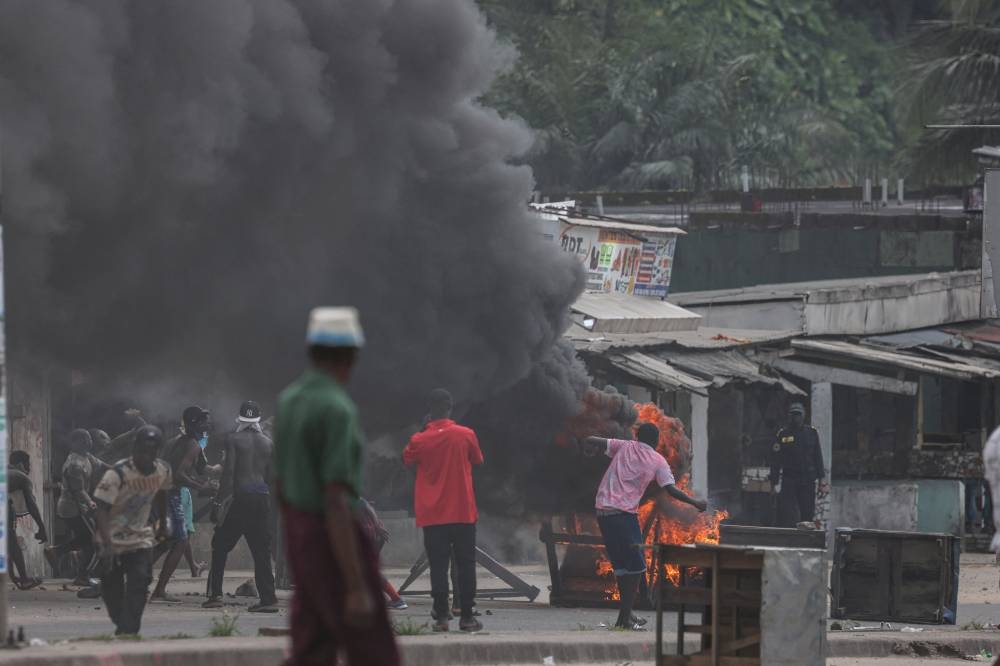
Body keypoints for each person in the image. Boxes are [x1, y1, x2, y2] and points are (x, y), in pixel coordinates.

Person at [275, 306, 400, 666]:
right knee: (373, 648)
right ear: (351, 355)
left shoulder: (289, 400)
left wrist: (296, 541)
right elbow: (335, 500)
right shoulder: (337, 408)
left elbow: (280, 483)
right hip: (334, 536)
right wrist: (357, 584)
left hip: (300, 533)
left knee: (313, 644)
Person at [582, 422, 707, 630]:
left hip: (603, 510)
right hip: (622, 513)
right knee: (638, 565)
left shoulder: (625, 446)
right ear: (656, 441)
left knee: (622, 566)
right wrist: (696, 503)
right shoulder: (658, 460)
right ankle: (624, 619)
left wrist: (587, 445)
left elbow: (594, 440)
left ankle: (627, 613)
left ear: (637, 436)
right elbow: (671, 489)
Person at [403, 388, 484, 633]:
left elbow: (407, 460)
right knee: (466, 564)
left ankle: (441, 618)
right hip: (462, 511)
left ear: (430, 410)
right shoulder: (465, 434)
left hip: (433, 514)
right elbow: (477, 460)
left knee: (438, 565)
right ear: (451, 407)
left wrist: (424, 429)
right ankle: (467, 617)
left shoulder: (419, 439)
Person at [94, 425, 172, 636]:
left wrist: (163, 524)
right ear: (134, 448)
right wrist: (107, 544)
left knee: (140, 581)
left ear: (158, 452)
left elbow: (162, 493)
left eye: (152, 451)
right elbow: (101, 508)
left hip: (140, 537)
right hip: (112, 538)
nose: (146, 456)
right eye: (142, 451)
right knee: (112, 590)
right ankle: (123, 624)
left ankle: (128, 633)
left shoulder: (163, 470)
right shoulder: (117, 473)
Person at [203, 400, 278, 613]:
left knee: (220, 545)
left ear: (240, 419)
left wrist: (218, 503)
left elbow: (228, 474)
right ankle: (268, 599)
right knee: (261, 551)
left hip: (241, 498)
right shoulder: (268, 443)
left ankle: (215, 595)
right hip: (262, 497)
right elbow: (272, 477)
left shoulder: (233, 439)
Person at [150, 406, 216, 602]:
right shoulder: (193, 444)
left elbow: (201, 468)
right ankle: (159, 590)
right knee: (181, 541)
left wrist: (217, 469)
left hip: (159, 493)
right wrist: (200, 487)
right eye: (203, 421)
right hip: (170, 495)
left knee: (165, 544)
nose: (207, 425)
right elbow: (179, 474)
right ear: (195, 423)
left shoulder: (176, 442)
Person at [46, 429, 108, 587]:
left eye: (88, 439)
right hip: (71, 508)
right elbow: (78, 490)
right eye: (84, 439)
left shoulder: (87, 457)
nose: (89, 442)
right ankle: (81, 574)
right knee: (94, 540)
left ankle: (59, 552)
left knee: (88, 540)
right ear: (74, 442)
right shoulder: (74, 464)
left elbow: (102, 465)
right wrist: (90, 503)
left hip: (79, 507)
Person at [770, 402, 827, 527]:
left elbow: (818, 457)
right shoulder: (783, 434)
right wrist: (773, 483)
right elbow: (776, 460)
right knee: (787, 514)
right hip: (789, 480)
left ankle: (806, 541)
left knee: (807, 514)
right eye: (793, 414)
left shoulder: (812, 433)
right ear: (789, 416)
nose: (796, 417)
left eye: (798, 414)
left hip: (807, 480)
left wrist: (822, 481)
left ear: (803, 416)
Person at [356, 497, 407, 610]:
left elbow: (366, 506)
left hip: (367, 537)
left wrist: (377, 527)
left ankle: (396, 599)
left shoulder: (350, 497)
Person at [8, 451, 48, 590]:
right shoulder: (21, 477)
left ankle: (17, 577)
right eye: (27, 465)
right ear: (19, 464)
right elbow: (32, 505)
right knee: (12, 541)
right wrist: (42, 527)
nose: (29, 469)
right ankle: (25, 580)